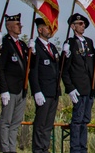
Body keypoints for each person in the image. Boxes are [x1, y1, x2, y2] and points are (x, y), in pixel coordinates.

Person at [62, 13, 95, 153]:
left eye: (83, 24)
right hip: (77, 88)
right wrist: (70, 88)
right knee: (77, 120)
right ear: (73, 26)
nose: (83, 26)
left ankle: (83, 148)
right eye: (80, 24)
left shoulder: (89, 42)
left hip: (89, 88)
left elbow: (92, 64)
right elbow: (64, 70)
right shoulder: (69, 43)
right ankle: (75, 149)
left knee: (85, 120)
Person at [0, 13, 29, 153]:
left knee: (16, 123)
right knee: (6, 122)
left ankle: (12, 148)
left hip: (21, 88)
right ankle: (5, 149)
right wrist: (3, 89)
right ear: (9, 26)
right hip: (9, 89)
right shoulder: (5, 44)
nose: (20, 26)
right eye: (17, 24)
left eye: (20, 24)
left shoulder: (22, 44)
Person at [28, 17, 61, 153]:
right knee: (40, 123)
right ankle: (37, 148)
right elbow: (33, 70)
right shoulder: (35, 46)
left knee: (48, 124)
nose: (50, 30)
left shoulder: (52, 47)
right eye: (47, 27)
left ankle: (44, 148)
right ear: (40, 30)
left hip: (53, 91)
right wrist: (36, 90)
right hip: (43, 91)